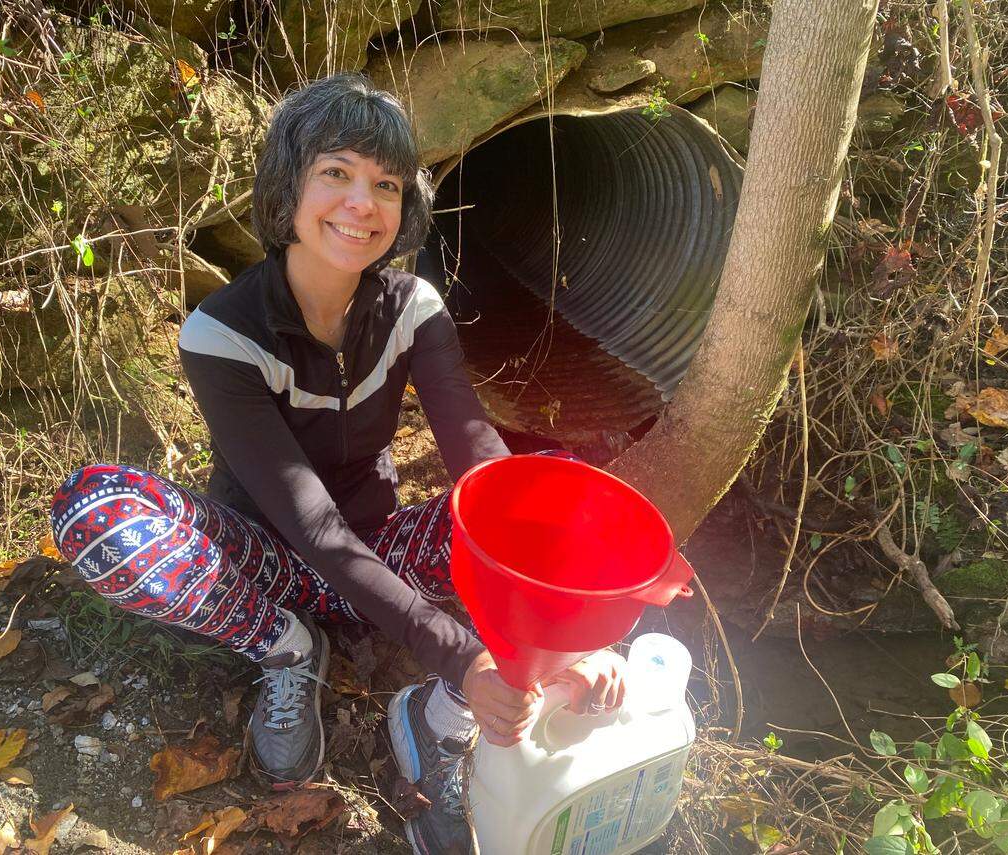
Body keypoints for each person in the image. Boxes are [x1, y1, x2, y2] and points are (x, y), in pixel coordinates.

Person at [50, 73, 625, 854]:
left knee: (551, 485)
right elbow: (310, 524)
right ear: (289, 186)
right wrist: (456, 649)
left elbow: (480, 466)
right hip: (261, 564)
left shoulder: (412, 307)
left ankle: (441, 719)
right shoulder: (223, 333)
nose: (363, 203)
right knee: (92, 506)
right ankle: (288, 649)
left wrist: (563, 626)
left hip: (377, 547)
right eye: (336, 173)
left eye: (385, 184)